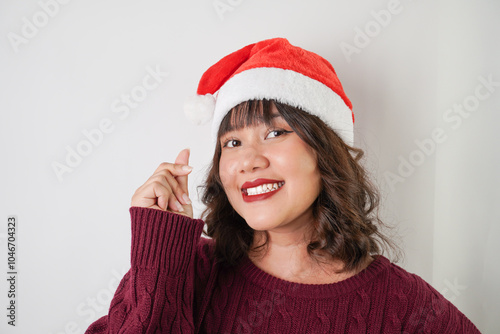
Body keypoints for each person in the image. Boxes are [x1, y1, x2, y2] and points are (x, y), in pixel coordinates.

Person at [86, 38, 480, 333]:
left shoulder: (404, 304)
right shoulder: (184, 273)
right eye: (232, 143)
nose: (248, 160)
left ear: (324, 154)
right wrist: (158, 248)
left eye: (275, 133)